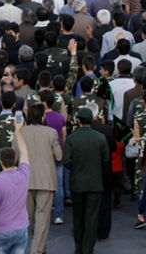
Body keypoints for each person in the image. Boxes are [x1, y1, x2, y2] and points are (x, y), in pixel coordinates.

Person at [62, 107, 108, 254]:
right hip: (95, 183)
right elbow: (106, 159)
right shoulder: (100, 138)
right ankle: (88, 248)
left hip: (77, 183)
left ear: (79, 120)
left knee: (78, 217)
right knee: (92, 218)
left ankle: (79, 247)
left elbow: (66, 161)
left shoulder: (71, 138)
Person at [20, 102, 62, 254]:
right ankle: (37, 249)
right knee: (42, 217)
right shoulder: (51, 133)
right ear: (43, 116)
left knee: (27, 217)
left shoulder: (21, 132)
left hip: (25, 179)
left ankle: (34, 246)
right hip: (46, 179)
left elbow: (15, 153)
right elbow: (59, 156)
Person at [0, 120, 31, 254]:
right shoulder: (23, 174)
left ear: (1, 162)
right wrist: (18, 131)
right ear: (15, 160)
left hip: (3, 229)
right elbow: (25, 152)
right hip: (22, 227)